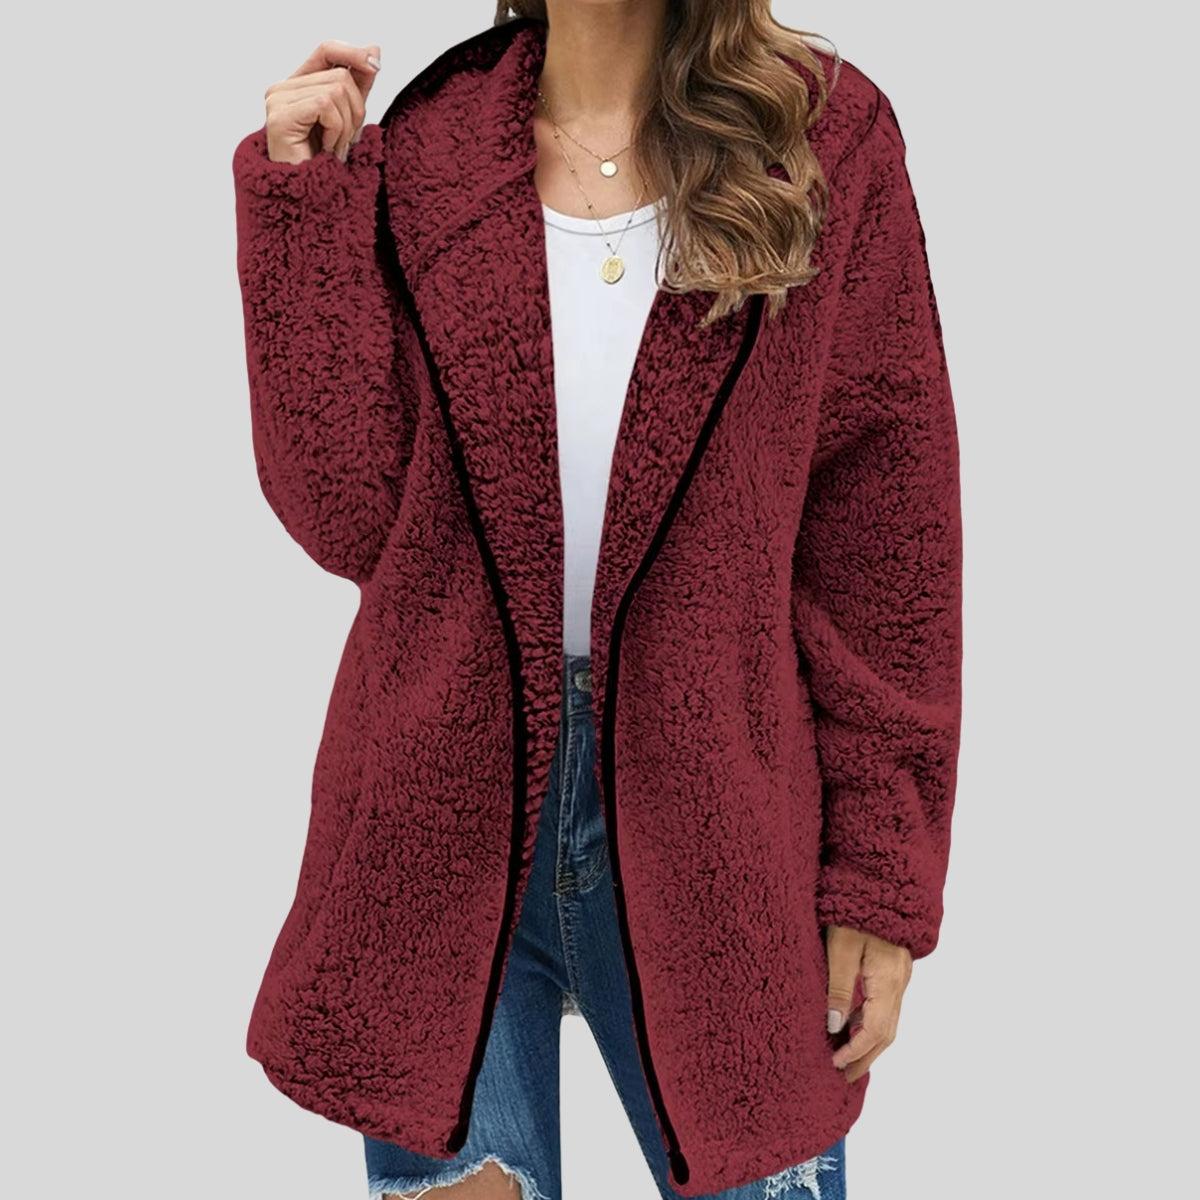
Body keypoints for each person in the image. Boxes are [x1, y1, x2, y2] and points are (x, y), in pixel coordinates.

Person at [231, 4, 963, 1199]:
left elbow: (889, 535)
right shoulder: (434, 143)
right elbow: (352, 516)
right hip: (443, 819)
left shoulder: (825, 137)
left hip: (725, 821)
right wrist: (301, 209)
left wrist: (881, 879)